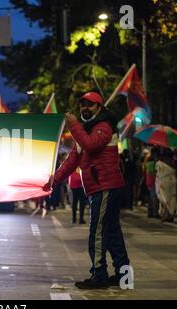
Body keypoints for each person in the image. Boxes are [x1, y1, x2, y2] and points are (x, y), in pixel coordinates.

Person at [44, 92, 130, 289]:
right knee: (113, 233)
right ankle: (124, 276)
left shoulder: (103, 126)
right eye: (82, 105)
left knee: (98, 233)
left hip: (105, 187)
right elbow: (72, 160)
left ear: (99, 107)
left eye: (90, 105)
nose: (85, 109)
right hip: (99, 188)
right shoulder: (87, 130)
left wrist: (73, 125)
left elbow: (91, 146)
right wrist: (53, 181)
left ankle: (99, 275)